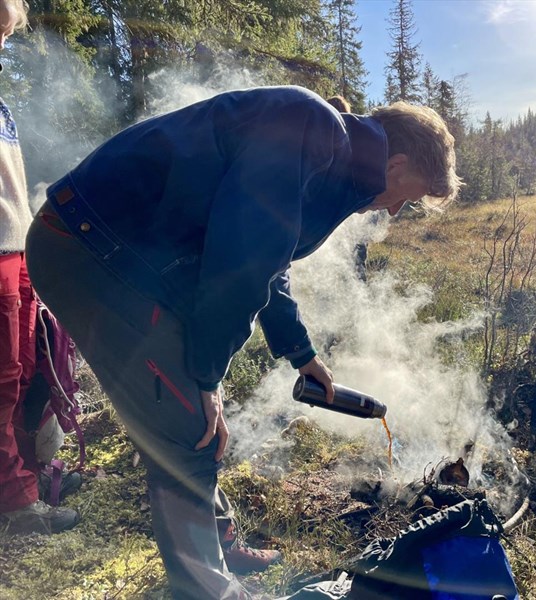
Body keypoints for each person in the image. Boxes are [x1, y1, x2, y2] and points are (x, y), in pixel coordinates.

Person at [25, 85, 460, 599]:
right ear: (398, 164)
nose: (394, 212)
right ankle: (204, 588)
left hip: (123, 259)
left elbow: (269, 259)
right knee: (188, 424)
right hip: (88, 251)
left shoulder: (333, 160)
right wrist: (207, 378)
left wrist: (301, 353)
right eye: (407, 198)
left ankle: (215, 540)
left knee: (193, 414)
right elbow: (240, 267)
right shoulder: (311, 132)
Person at [0, 0, 80, 535]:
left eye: (4, 33)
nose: (1, 44)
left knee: (29, 372)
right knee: (2, 379)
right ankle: (14, 501)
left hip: (15, 248)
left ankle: (29, 470)